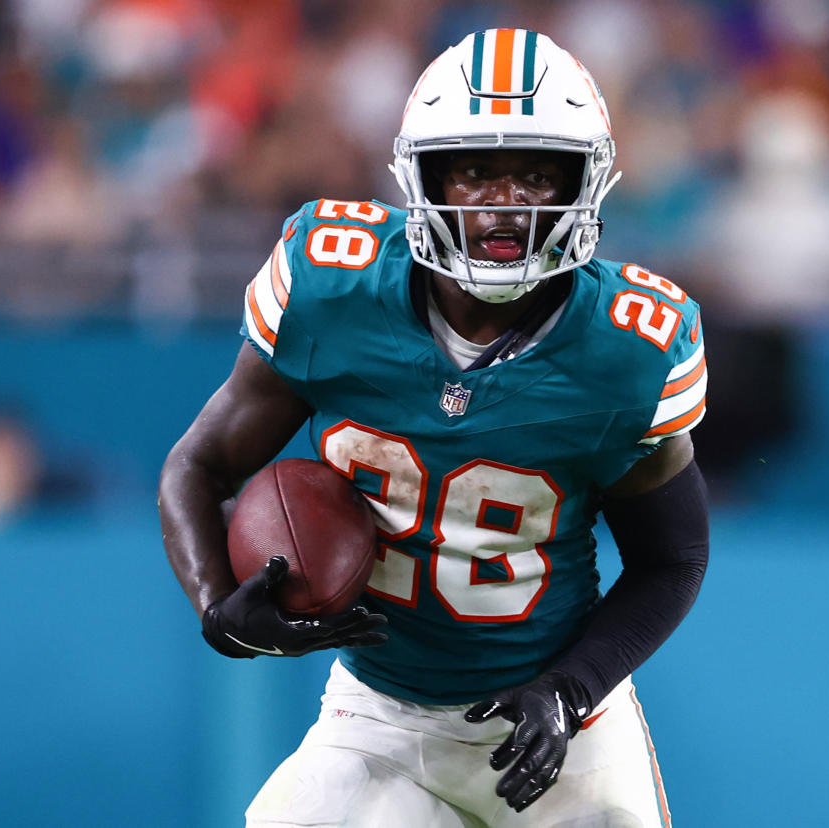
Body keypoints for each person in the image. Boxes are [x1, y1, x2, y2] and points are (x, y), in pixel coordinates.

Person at [159, 28, 709, 827]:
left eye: (536, 173)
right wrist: (218, 608)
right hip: (382, 716)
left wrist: (571, 689)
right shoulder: (329, 288)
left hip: (559, 725)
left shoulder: (626, 349)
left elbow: (676, 558)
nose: (504, 200)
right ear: (420, 174)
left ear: (584, 183)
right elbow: (197, 467)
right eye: (476, 169)